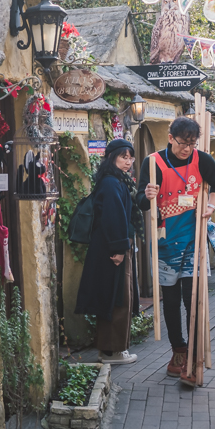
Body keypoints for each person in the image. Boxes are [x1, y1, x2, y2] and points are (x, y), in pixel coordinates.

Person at [138, 117, 215, 385]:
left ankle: (194, 357)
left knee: (193, 298)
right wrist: (147, 194)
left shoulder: (202, 160)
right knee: (171, 302)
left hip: (193, 242)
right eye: (183, 143)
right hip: (164, 244)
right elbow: (140, 201)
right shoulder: (153, 163)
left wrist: (210, 207)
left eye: (192, 143)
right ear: (170, 136)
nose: (187, 149)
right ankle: (179, 351)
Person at [76, 139, 139, 364]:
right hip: (113, 250)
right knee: (117, 298)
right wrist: (120, 249)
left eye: (130, 157)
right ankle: (113, 351)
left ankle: (109, 350)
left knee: (114, 297)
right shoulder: (112, 183)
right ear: (112, 157)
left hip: (110, 247)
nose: (128, 162)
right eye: (123, 157)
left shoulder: (114, 181)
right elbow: (114, 218)